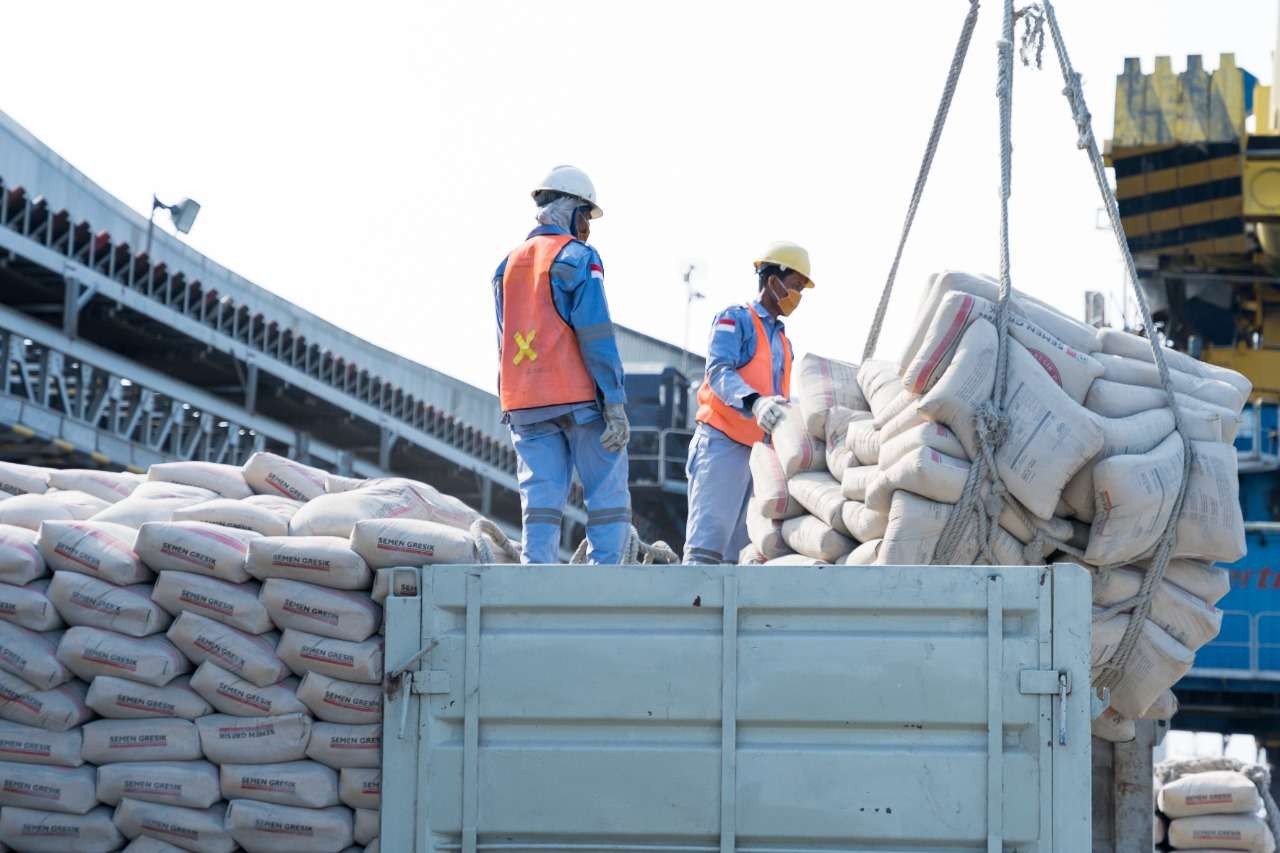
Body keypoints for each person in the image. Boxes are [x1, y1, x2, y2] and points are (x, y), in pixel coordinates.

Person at [492, 165, 632, 564]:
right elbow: (596, 335)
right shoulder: (576, 257)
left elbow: (504, 338)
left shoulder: (506, 266)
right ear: (570, 209)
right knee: (606, 495)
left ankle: (536, 582)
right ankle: (606, 581)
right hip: (580, 400)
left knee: (540, 504)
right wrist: (615, 401)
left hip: (525, 405)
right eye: (586, 214)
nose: (587, 224)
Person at [683, 241, 814, 565]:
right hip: (721, 445)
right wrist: (754, 402)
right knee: (706, 551)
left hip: (759, 455)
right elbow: (718, 371)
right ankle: (692, 613)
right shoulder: (736, 319)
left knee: (743, 557)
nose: (798, 296)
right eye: (796, 286)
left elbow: (779, 394)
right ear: (773, 281)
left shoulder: (784, 341)